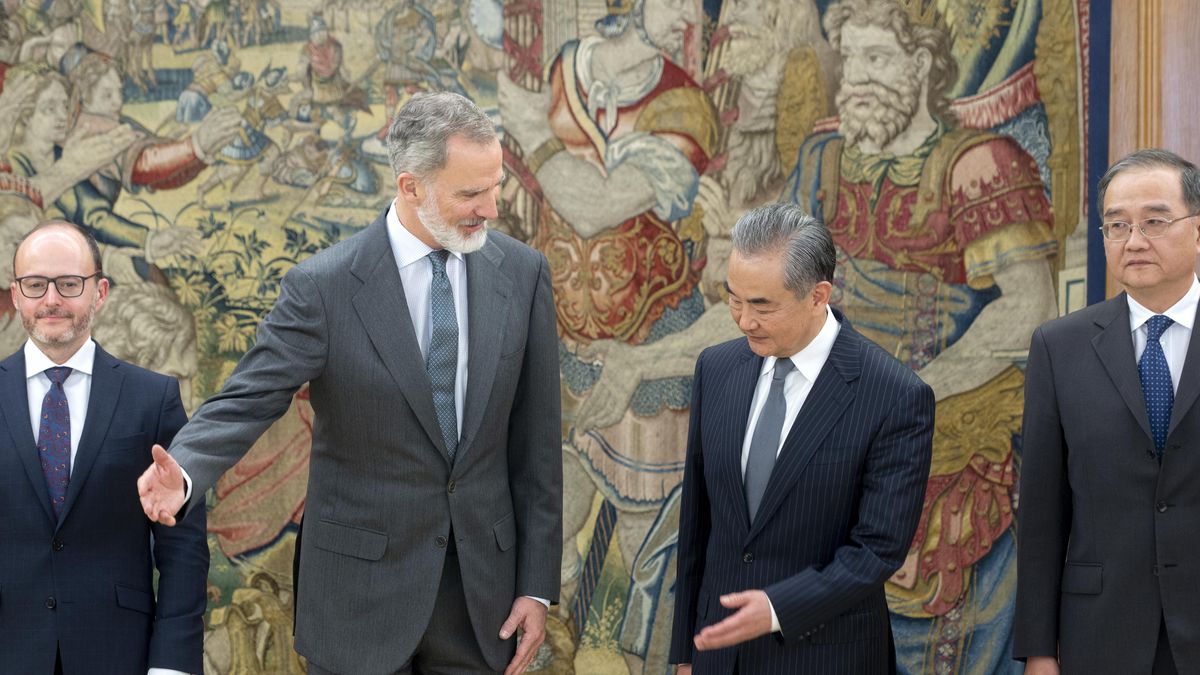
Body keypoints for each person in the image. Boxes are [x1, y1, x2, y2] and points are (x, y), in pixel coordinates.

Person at [137, 91, 562, 675]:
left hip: (480, 606)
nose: (490, 208)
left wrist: (536, 587)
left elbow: (537, 445)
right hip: (357, 603)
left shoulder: (524, 274)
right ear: (410, 187)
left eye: (495, 186)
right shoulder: (323, 288)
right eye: (471, 193)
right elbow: (248, 397)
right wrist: (184, 471)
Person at [670, 203, 934, 674]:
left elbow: (876, 550)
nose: (743, 320)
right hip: (717, 659)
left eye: (762, 305)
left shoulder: (895, 396)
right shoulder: (716, 368)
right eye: (734, 299)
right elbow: (698, 525)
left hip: (828, 658)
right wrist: (685, 655)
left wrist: (775, 609)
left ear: (819, 295)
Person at [1015, 148, 1200, 674]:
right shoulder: (1059, 346)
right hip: (1100, 635)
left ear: (1198, 230)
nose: (1134, 240)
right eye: (1116, 225)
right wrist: (1039, 651)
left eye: (1155, 221)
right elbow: (1042, 514)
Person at [0, 220, 207, 674]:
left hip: (119, 655)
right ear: (16, 296)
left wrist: (171, 665)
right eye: (35, 285)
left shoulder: (153, 399)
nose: (51, 299)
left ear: (100, 292)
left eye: (69, 284)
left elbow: (184, 550)